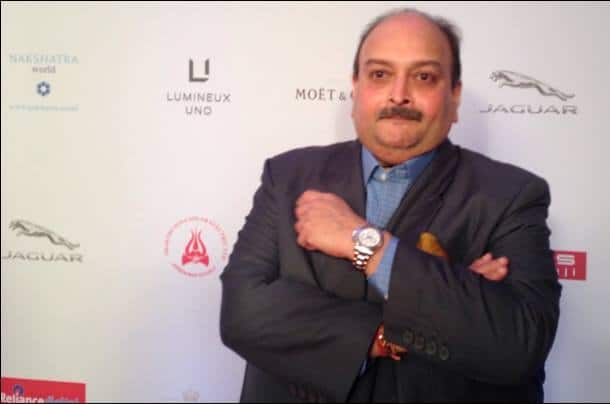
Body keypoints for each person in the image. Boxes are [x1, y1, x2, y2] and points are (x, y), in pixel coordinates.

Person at [220, 8, 561, 403]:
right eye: (380, 74)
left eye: (424, 77)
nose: (399, 94)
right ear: (356, 88)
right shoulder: (287, 176)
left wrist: (363, 242)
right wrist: (429, 312)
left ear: (454, 96)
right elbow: (243, 313)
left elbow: (518, 344)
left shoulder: (511, 195)